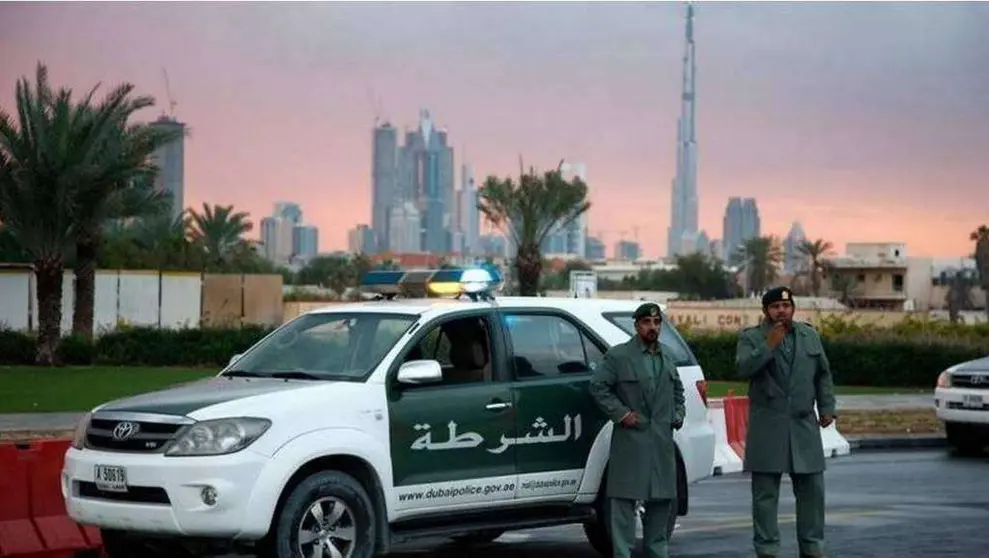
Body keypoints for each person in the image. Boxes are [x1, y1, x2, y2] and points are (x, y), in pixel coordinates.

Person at [735, 286, 837, 558]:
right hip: (768, 426)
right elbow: (743, 368)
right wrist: (770, 344)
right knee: (765, 496)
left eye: (786, 306)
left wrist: (827, 407)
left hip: (803, 425)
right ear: (766, 311)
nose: (782, 311)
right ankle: (767, 550)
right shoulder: (751, 337)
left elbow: (822, 375)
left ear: (792, 307)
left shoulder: (809, 335)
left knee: (812, 492)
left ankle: (813, 547)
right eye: (776, 307)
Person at [589, 302, 685, 558]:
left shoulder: (667, 355)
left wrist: (677, 415)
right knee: (623, 504)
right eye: (647, 323)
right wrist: (621, 414)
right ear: (637, 325)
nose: (652, 328)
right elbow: (598, 387)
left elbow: (678, 390)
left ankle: (658, 552)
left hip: (662, 442)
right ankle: (622, 553)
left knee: (661, 504)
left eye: (656, 323)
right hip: (632, 441)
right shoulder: (619, 356)